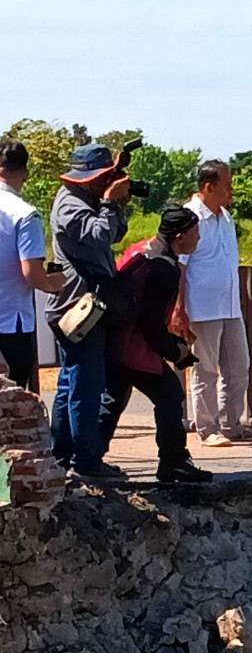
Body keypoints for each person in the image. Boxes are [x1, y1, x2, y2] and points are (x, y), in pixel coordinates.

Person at [99, 206, 212, 484]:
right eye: (195, 233)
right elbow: (150, 322)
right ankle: (173, 463)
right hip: (134, 346)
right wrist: (175, 352)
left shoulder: (144, 248)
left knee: (111, 400)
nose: (198, 238)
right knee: (170, 395)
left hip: (113, 339)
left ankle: (87, 459)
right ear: (180, 236)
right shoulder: (165, 268)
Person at [49, 143, 133, 479]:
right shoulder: (70, 205)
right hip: (77, 308)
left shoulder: (86, 201)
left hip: (84, 307)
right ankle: (84, 462)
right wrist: (109, 202)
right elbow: (99, 236)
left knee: (73, 383)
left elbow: (116, 232)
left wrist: (114, 204)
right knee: (86, 385)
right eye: (103, 178)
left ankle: (61, 459)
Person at [182, 160, 252, 448]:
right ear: (208, 187)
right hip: (202, 307)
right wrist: (179, 308)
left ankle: (231, 423)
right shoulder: (190, 217)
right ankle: (207, 427)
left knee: (240, 366)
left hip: (229, 306)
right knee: (206, 369)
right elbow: (180, 266)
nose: (232, 190)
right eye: (227, 185)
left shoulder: (225, 217)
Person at [0, 142, 66, 390]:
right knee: (11, 399)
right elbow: (32, 273)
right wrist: (54, 284)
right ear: (26, 174)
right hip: (11, 322)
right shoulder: (25, 214)